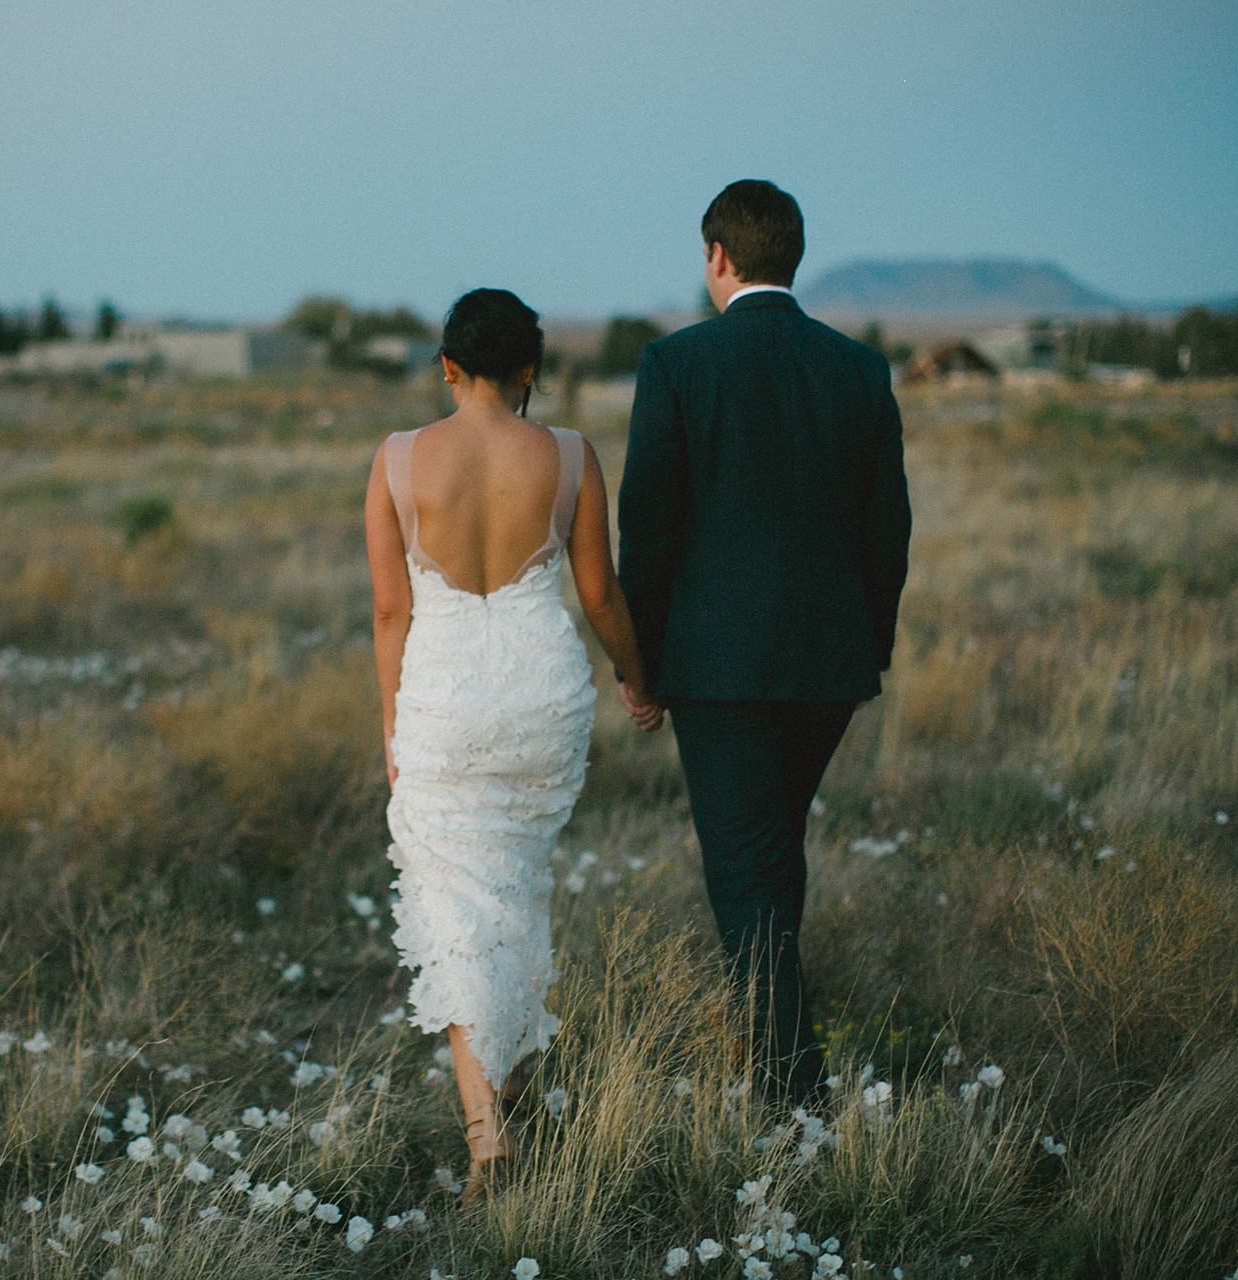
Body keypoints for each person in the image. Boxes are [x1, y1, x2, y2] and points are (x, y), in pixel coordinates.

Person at [617, 180, 912, 1103]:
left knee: (748, 873)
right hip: (829, 666)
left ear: (717, 257)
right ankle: (784, 1060)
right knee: (773, 857)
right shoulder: (859, 370)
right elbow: (889, 532)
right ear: (793, 253)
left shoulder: (677, 364)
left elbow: (650, 532)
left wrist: (642, 670)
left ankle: (793, 1099)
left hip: (717, 672)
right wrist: (870, 649)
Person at [366, 288, 660, 1198]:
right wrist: (638, 681)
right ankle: (511, 1083)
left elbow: (389, 610)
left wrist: (392, 727)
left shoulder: (397, 459)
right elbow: (601, 594)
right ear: (530, 369)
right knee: (515, 890)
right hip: (540, 699)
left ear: (447, 365)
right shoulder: (569, 455)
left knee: (460, 910)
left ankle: (488, 1132)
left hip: (446, 703)